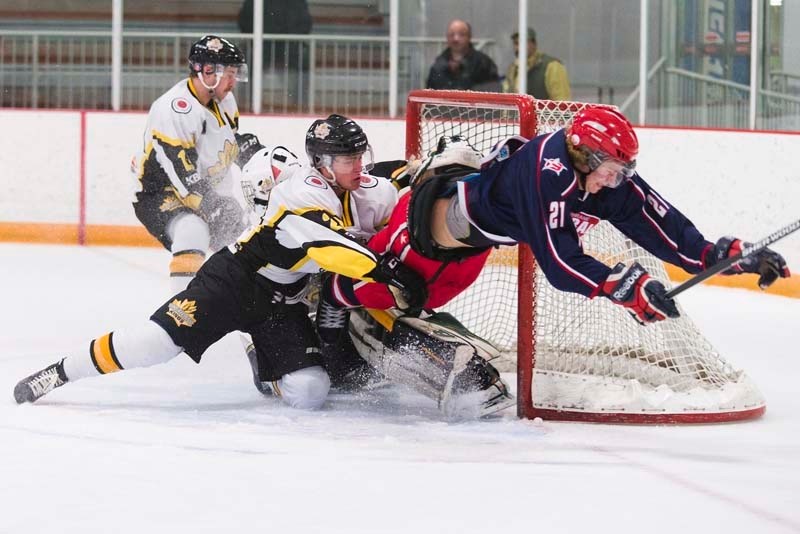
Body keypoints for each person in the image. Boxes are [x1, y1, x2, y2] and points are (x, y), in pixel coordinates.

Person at [13, 114, 427, 411]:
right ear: (321, 164)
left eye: (361, 155)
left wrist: (420, 172)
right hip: (232, 283)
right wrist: (384, 269)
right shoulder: (302, 194)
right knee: (156, 345)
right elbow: (326, 247)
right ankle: (60, 372)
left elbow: (390, 180)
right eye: (349, 159)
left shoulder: (358, 185)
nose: (360, 166)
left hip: (282, 302)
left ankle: (259, 354)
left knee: (309, 392)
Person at [407, 107, 790, 326]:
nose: (616, 179)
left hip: (484, 239)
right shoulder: (548, 174)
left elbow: (660, 224)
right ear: (585, 156)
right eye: (611, 168)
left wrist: (721, 257)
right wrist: (620, 285)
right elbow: (559, 263)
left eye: (622, 170)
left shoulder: (604, 177)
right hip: (436, 225)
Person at [313, 137, 515, 417]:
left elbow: (388, 244)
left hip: (398, 272)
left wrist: (389, 268)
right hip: (451, 274)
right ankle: (475, 376)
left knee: (334, 291)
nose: (356, 165)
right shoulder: (462, 201)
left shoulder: (415, 202)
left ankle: (336, 362)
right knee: (405, 309)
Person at [132, 35, 261, 293]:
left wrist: (253, 155)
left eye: (236, 73)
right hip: (160, 195)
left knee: (253, 244)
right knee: (193, 230)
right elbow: (181, 172)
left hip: (206, 193)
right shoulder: (174, 109)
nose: (234, 81)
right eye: (230, 73)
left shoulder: (224, 101)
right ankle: (181, 315)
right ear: (207, 71)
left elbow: (225, 143)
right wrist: (213, 206)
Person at [238, 0, 313, 106]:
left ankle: (301, 104)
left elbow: (306, 23)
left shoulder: (297, 2)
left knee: (304, 63)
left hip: (289, 46)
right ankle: (247, 102)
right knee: (249, 61)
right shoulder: (254, 2)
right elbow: (244, 20)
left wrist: (289, 37)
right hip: (263, 45)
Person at [426, 19, 500, 91]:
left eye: (461, 34)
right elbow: (430, 94)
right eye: (451, 34)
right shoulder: (438, 65)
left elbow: (492, 93)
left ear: (469, 37)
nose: (456, 39)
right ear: (447, 37)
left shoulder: (483, 63)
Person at [502, 27, 571, 100]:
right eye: (516, 43)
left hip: (543, 111)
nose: (519, 47)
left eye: (523, 42)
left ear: (534, 44)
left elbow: (562, 101)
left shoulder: (551, 66)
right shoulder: (513, 68)